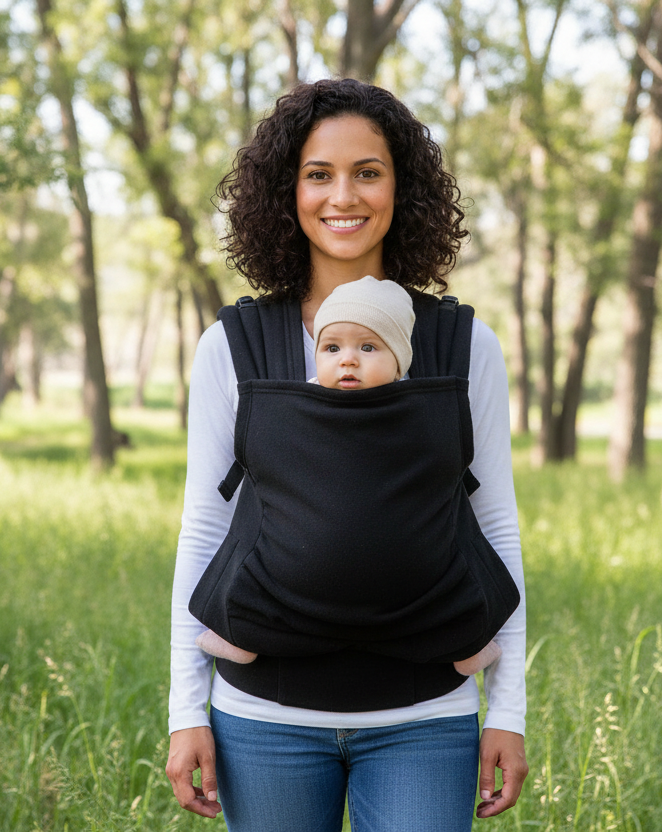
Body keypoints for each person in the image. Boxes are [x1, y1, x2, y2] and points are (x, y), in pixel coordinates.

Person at [166, 78, 527, 832]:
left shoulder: (464, 346)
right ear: (286, 191)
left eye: (368, 172)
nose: (344, 196)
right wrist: (184, 709)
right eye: (319, 174)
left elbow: (494, 525)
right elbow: (204, 525)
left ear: (402, 188)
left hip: (427, 717)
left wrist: (510, 712)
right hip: (261, 721)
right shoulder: (233, 347)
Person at [193, 275, 504, 678]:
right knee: (248, 589)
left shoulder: (417, 406)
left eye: (369, 347)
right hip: (281, 615)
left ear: (399, 363)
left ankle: (469, 647)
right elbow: (207, 518)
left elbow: (489, 513)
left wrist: (507, 710)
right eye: (332, 347)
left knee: (458, 602)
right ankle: (240, 636)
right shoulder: (294, 401)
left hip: (419, 600)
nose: (348, 359)